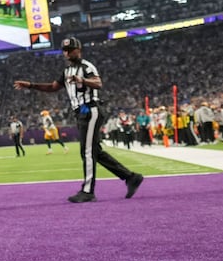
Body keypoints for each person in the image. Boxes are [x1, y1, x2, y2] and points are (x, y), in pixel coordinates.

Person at [13, 36, 143, 202]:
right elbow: (53, 87)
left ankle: (88, 191)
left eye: (70, 50)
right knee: (96, 151)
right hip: (81, 112)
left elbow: (98, 83)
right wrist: (30, 85)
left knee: (87, 151)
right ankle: (131, 177)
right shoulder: (67, 71)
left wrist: (82, 80)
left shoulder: (86, 66)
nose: (67, 53)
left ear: (78, 50)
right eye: (65, 51)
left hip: (90, 109)